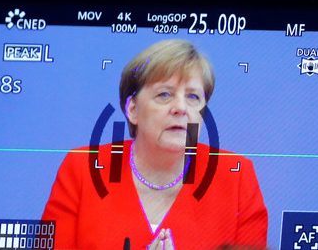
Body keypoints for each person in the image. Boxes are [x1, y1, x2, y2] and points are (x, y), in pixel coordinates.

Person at [42, 39, 268, 250]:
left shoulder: (236, 176)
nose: (181, 108)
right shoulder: (82, 168)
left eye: (193, 97)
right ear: (132, 109)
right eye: (164, 94)